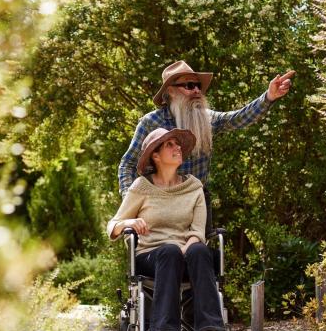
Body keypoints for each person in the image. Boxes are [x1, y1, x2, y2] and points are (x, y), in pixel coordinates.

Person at [117, 60, 295, 228]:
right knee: (167, 254)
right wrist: (131, 202)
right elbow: (128, 164)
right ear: (171, 91)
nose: (196, 91)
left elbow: (238, 118)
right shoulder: (151, 122)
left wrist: (269, 96)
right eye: (189, 86)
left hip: (196, 201)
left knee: (199, 254)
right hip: (159, 204)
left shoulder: (206, 118)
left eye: (198, 86)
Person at [107, 127, 226, 331]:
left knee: (200, 250)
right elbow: (112, 226)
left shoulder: (193, 187)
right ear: (155, 155)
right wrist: (129, 223)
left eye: (177, 144)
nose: (177, 147)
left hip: (187, 255)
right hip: (152, 256)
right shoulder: (142, 186)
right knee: (170, 251)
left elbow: (198, 232)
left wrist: (184, 250)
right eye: (170, 145)